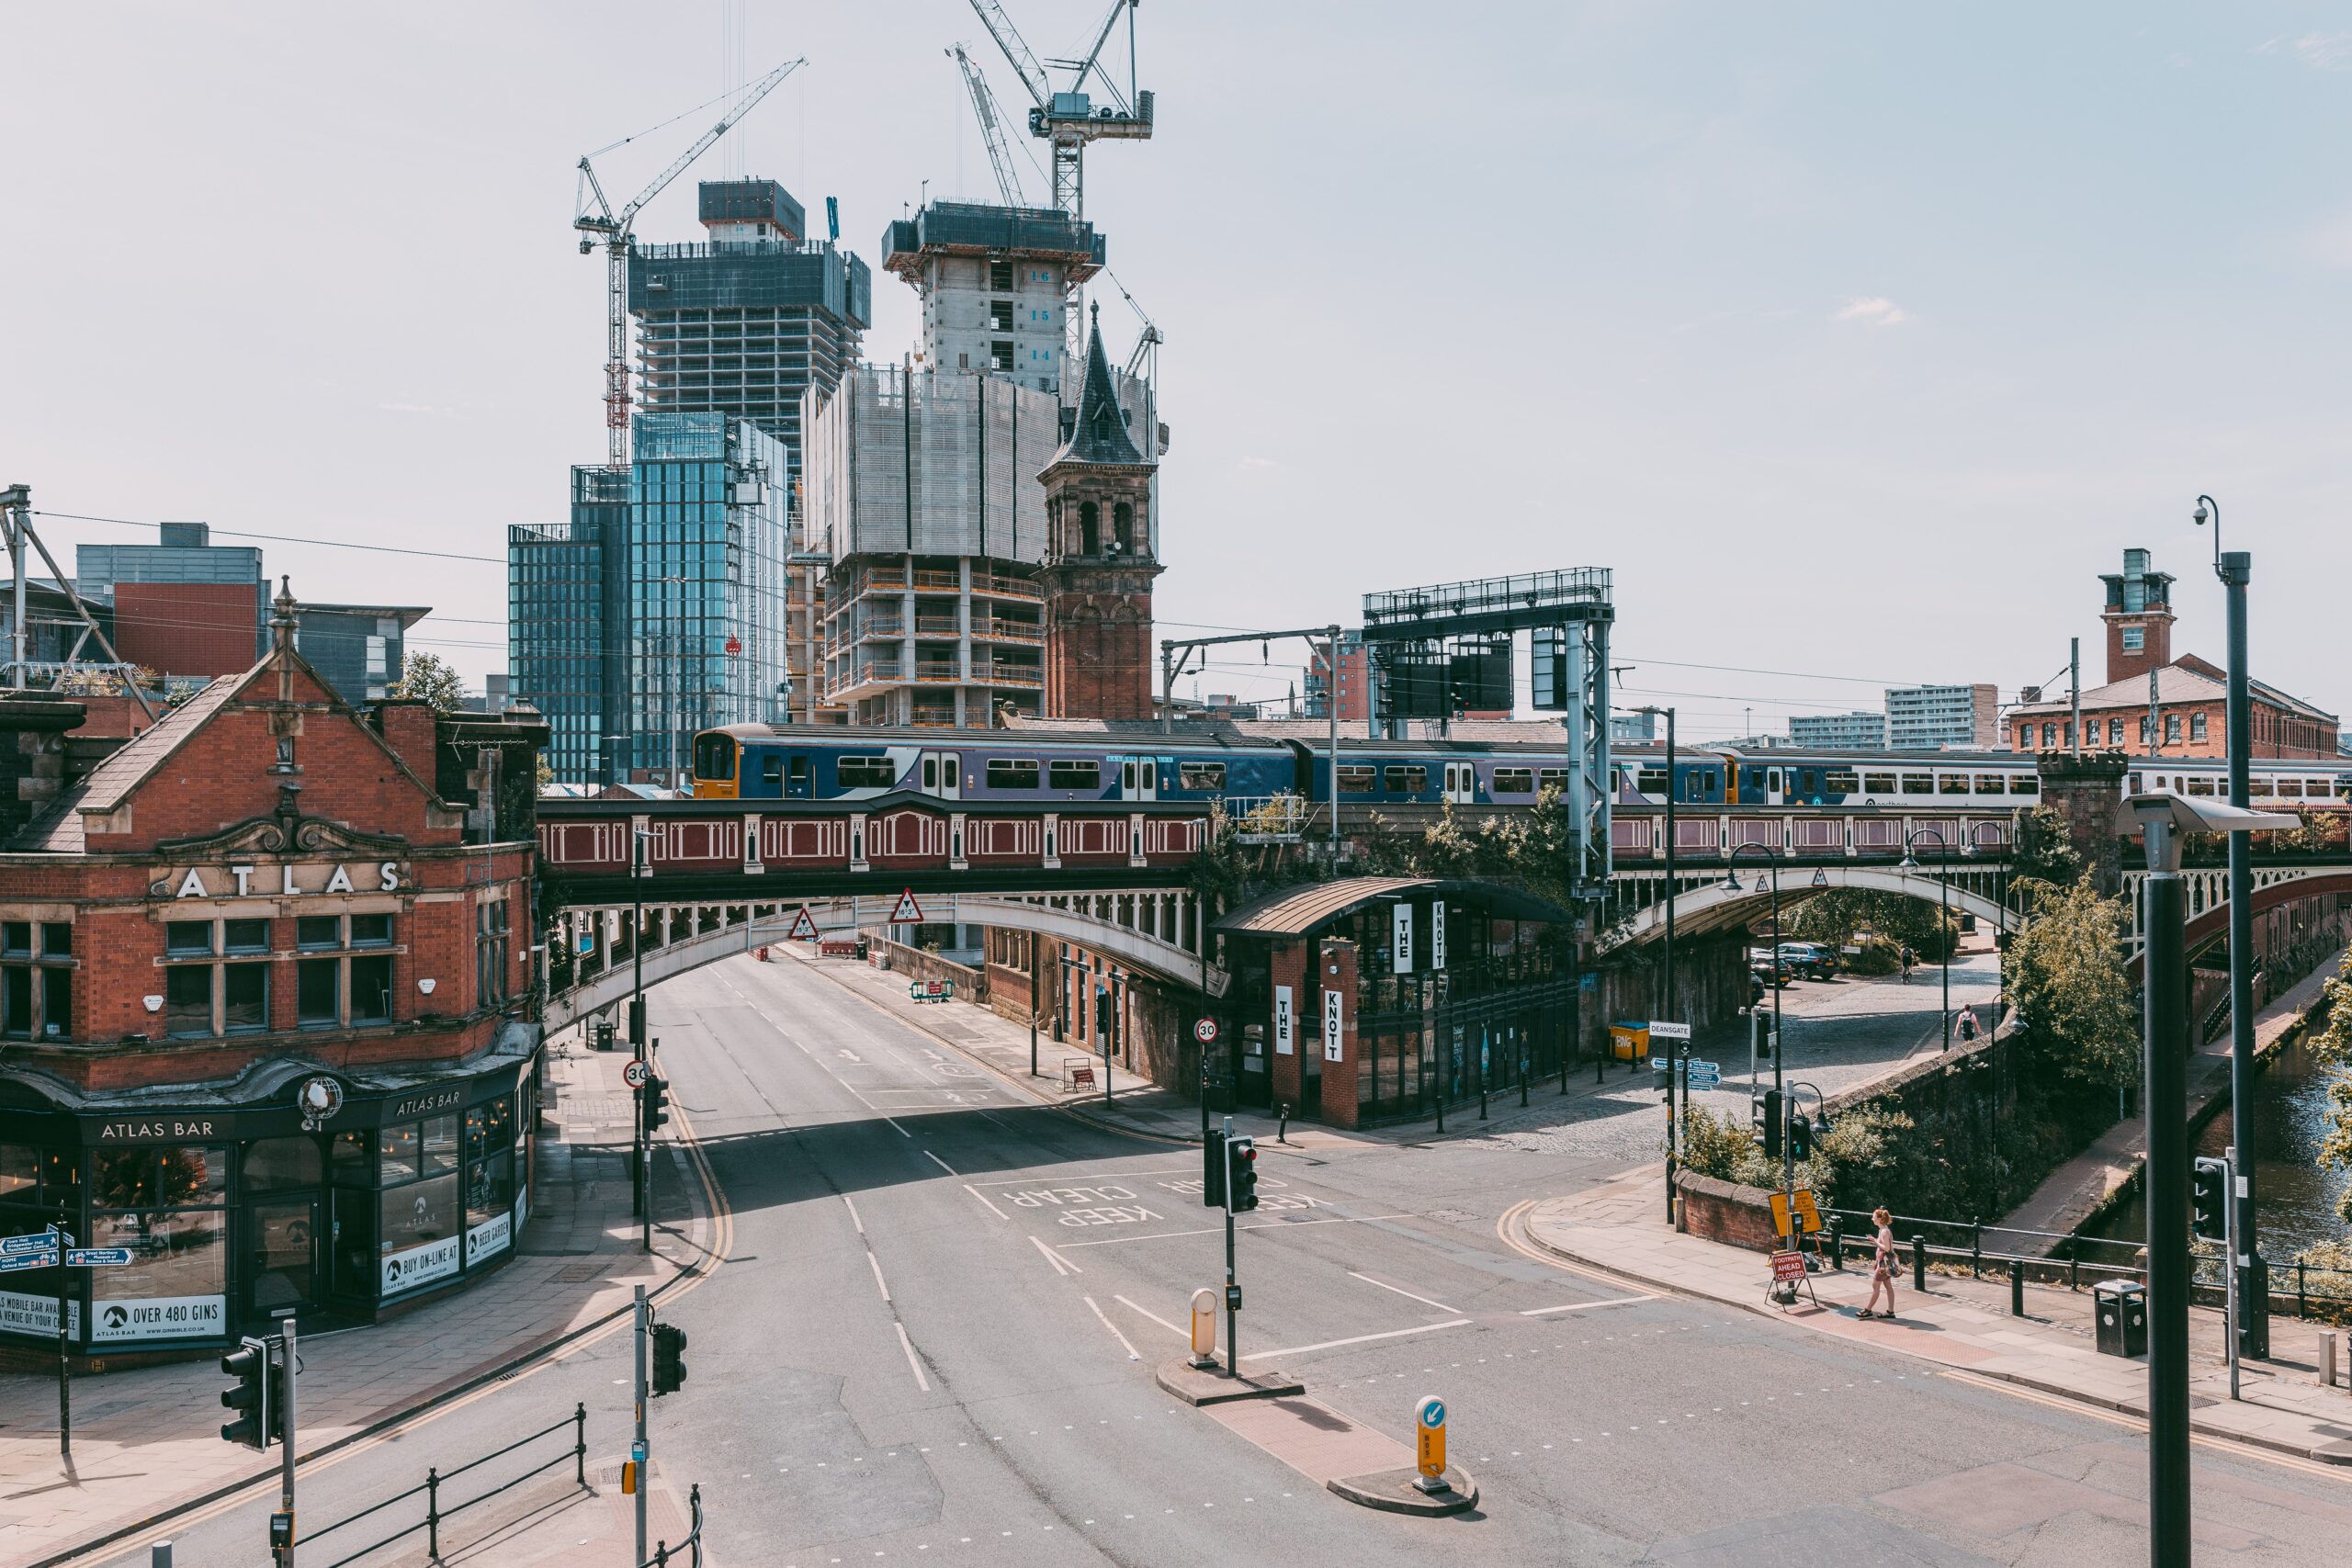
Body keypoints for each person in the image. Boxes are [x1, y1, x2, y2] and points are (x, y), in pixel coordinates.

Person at [1858, 1205, 1899, 1320]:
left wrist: (1875, 1241)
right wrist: (1874, 1240)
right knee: (1888, 1286)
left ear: (1880, 1219)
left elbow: (1886, 1248)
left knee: (1875, 1286)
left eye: (1874, 1217)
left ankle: (1868, 1310)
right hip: (1885, 1263)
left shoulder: (1884, 1231)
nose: (1872, 1219)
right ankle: (1890, 1311)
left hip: (1883, 1265)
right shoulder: (1883, 1229)